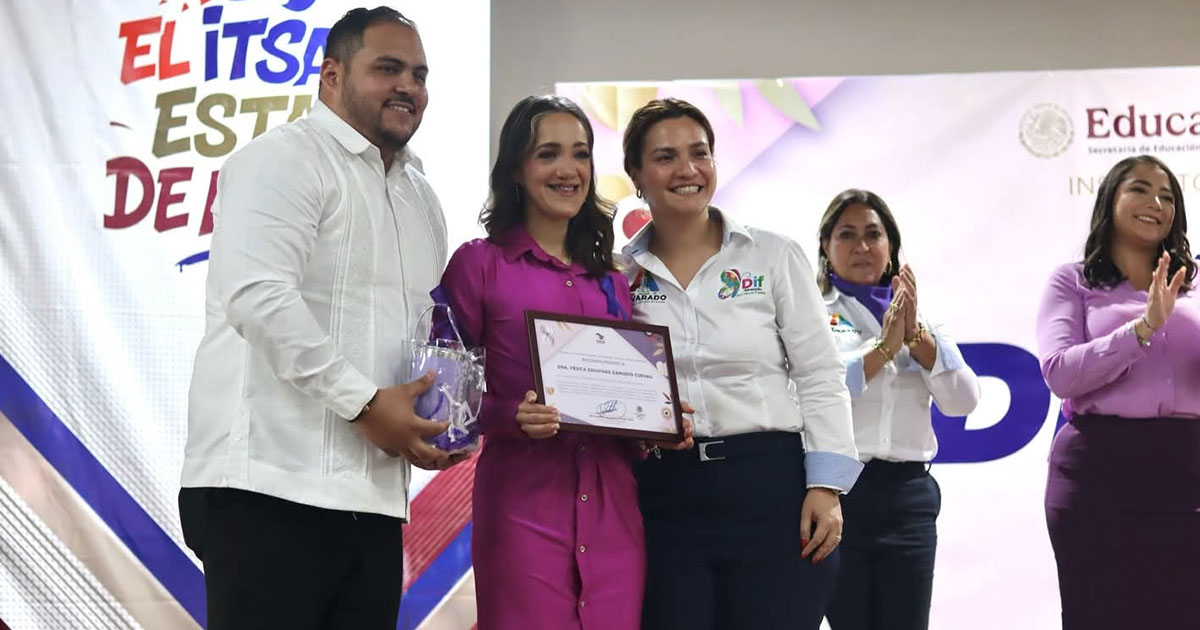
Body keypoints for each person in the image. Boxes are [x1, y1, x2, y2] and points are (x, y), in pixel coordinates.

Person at [178, 8, 459, 629]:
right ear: (331, 75)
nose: (408, 86)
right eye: (387, 68)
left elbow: (419, 336)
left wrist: (435, 420)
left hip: (375, 499)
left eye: (419, 73)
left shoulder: (421, 197)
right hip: (266, 488)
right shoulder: (280, 161)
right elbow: (258, 298)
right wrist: (365, 404)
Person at [435, 95, 690, 630]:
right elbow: (442, 395)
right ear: (517, 170)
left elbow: (627, 403)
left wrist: (657, 425)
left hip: (614, 514)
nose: (568, 170)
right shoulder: (479, 265)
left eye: (580, 154)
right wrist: (510, 416)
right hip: (521, 511)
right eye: (548, 154)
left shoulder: (615, 281)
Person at [620, 97, 861, 629]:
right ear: (635, 173)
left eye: (699, 153)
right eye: (665, 157)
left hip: (769, 488)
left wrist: (827, 486)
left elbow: (820, 374)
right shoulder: (617, 276)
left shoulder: (771, 255)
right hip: (664, 496)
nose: (687, 169)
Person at [1037, 155, 1200, 629]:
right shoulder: (1073, 281)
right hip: (1098, 474)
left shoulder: (1195, 283)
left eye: (1168, 196)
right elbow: (1060, 374)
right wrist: (1143, 328)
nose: (1156, 203)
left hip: (1187, 471)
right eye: (1141, 189)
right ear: (1110, 199)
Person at [814, 189, 980, 630]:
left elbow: (963, 400)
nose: (862, 246)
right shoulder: (811, 313)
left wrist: (917, 342)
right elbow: (815, 392)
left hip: (907, 497)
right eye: (846, 234)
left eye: (874, 234)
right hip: (839, 495)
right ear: (827, 250)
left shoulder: (922, 318)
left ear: (891, 248)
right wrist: (884, 348)